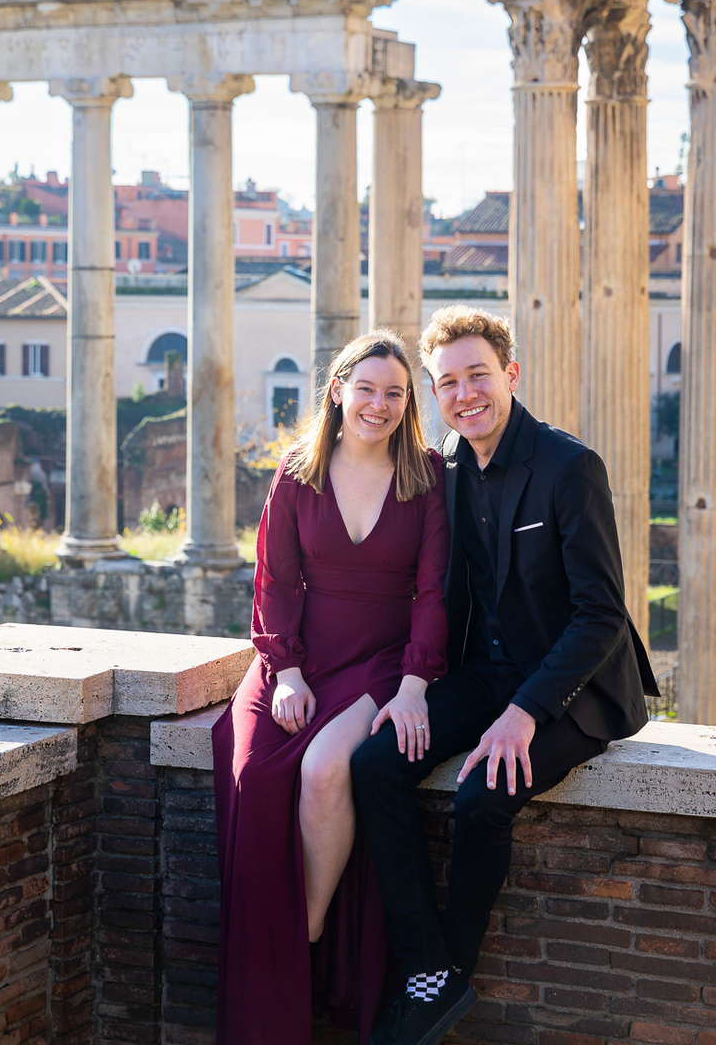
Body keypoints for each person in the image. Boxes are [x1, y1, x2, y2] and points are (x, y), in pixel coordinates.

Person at [351, 305, 659, 1045]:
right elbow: (441, 593)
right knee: (374, 763)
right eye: (448, 383)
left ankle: (443, 976)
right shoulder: (450, 468)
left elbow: (600, 615)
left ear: (510, 375)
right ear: (435, 392)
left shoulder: (568, 466)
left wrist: (525, 711)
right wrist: (414, 687)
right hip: (483, 676)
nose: (466, 395)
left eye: (478, 376)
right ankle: (430, 966)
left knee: (483, 794)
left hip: (571, 690)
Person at [212, 329, 450, 1045]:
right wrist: (282, 672)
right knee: (253, 774)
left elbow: (434, 592)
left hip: (381, 663)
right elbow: (274, 582)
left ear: (408, 405)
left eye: (395, 394)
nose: (379, 405)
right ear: (339, 388)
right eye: (367, 388)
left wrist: (414, 686)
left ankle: (302, 943)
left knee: (324, 771)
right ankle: (270, 977)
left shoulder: (427, 475)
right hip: (299, 661)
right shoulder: (297, 472)